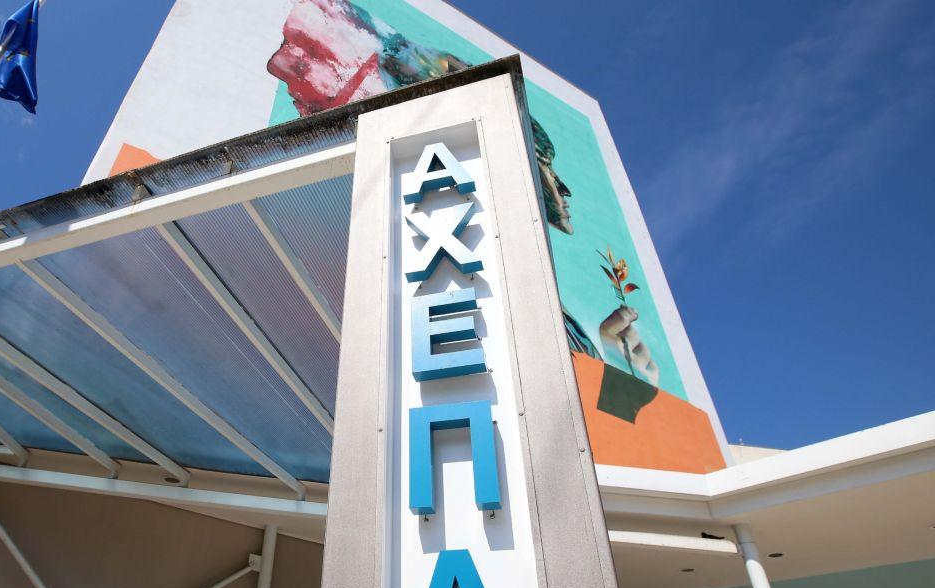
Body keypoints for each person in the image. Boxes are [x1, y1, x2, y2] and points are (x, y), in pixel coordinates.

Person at [268, 0, 658, 386]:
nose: (564, 189)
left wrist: (611, 353)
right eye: (548, 164)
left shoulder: (522, 280)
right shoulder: (449, 248)